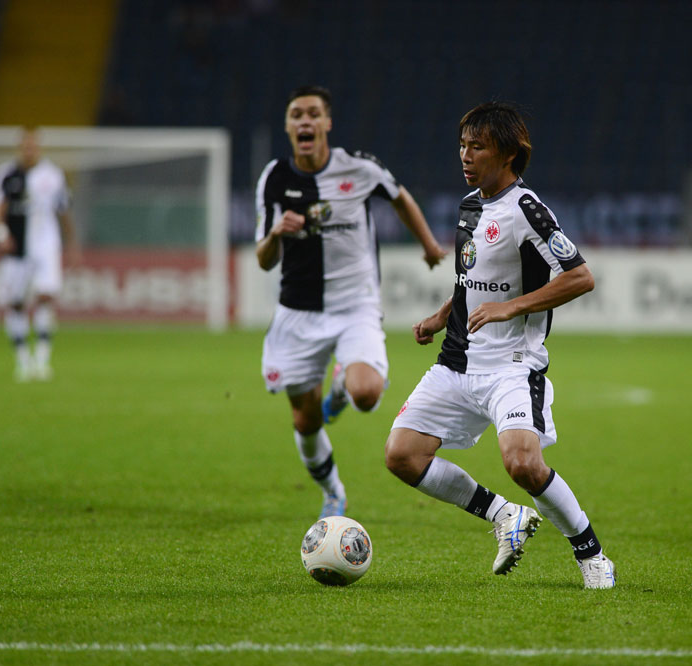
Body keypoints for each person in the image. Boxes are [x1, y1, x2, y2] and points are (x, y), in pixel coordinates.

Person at [384, 102, 616, 589]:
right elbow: (472, 279)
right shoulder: (471, 205)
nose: (466, 155)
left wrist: (514, 307)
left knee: (524, 464)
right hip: (456, 361)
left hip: (512, 364)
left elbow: (580, 277)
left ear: (509, 154)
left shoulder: (527, 209)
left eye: (478, 146)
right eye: (463, 145)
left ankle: (591, 554)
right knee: (402, 455)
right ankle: (503, 515)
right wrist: (442, 316)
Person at [255, 85, 447, 520]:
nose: (304, 121)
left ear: (326, 124)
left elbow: (401, 198)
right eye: (296, 114)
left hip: (355, 305)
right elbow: (264, 259)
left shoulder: (359, 168)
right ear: (288, 127)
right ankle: (332, 490)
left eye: (313, 114)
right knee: (305, 421)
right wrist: (275, 235)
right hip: (297, 313)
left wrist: (429, 245)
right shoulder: (275, 179)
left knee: (366, 392)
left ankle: (343, 386)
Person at [0, 126, 78, 382]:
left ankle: (42, 358)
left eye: (33, 146)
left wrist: (71, 244)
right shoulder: (6, 175)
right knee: (15, 301)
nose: (30, 150)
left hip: (46, 245)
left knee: (45, 295)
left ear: (39, 148)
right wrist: (1, 234)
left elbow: (64, 211)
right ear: (20, 148)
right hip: (16, 248)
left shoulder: (52, 175)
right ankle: (22, 360)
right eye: (26, 146)